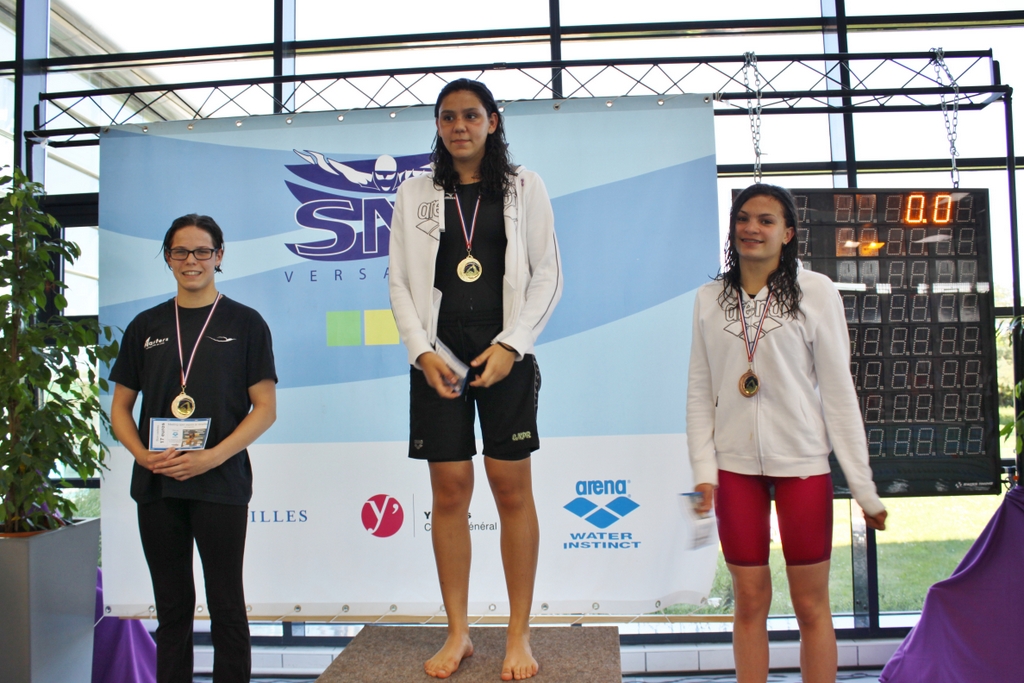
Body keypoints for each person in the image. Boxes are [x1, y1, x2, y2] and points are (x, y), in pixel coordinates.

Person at [389, 78, 562, 681]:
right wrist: (420, 352)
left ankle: (518, 634)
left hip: (503, 352)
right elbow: (399, 282)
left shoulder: (524, 186)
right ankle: (458, 633)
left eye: (470, 115)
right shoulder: (415, 192)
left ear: (493, 120)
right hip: (439, 355)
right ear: (437, 126)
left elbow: (548, 275)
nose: (458, 126)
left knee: (511, 491)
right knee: (449, 491)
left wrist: (513, 345)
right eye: (447, 117)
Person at [686, 184, 888, 683]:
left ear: (788, 233)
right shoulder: (709, 299)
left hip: (803, 466)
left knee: (810, 605)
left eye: (766, 220)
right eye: (743, 218)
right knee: (749, 600)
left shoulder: (817, 291)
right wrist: (704, 471)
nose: (752, 228)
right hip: (735, 469)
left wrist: (863, 488)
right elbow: (699, 391)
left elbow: (839, 394)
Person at [109, 214, 278, 683]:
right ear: (168, 258)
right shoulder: (145, 325)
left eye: (202, 251)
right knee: (172, 609)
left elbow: (265, 409)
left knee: (226, 605)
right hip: (158, 482)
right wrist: (142, 455)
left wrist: (211, 457)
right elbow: (120, 408)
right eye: (180, 251)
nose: (191, 261)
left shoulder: (246, 323)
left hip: (220, 481)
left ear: (219, 256)